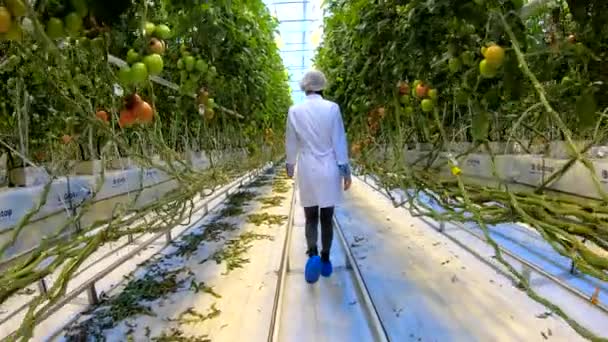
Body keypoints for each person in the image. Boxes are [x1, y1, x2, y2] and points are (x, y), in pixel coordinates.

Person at [285, 70, 352, 284]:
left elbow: (291, 141)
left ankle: (312, 254)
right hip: (329, 167)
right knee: (327, 217)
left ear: (305, 87)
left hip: (307, 168)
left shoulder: (295, 111)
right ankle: (325, 260)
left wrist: (290, 163)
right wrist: (345, 170)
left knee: (311, 216)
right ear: (323, 86)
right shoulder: (332, 108)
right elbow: (339, 140)